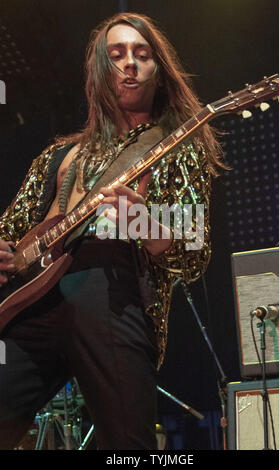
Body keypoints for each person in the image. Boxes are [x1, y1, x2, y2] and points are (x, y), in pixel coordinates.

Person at [0, 12, 223, 450]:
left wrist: (145, 223)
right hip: (31, 303)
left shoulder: (177, 146)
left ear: (159, 71)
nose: (130, 63)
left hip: (114, 293)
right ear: (100, 69)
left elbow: (196, 247)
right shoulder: (58, 155)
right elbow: (11, 228)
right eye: (117, 54)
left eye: (142, 54)